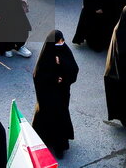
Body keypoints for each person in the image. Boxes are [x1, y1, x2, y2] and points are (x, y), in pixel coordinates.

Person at [32, 30, 79, 158]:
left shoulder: (65, 51)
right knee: (46, 117)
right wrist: (54, 78)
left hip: (62, 94)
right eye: (58, 42)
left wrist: (61, 65)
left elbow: (74, 70)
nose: (61, 44)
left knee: (60, 118)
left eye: (62, 41)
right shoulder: (46, 56)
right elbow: (39, 76)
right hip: (47, 97)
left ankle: (60, 146)